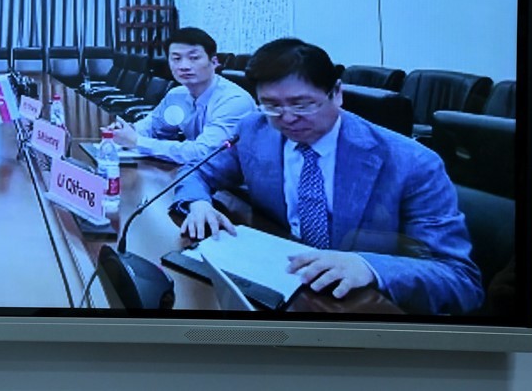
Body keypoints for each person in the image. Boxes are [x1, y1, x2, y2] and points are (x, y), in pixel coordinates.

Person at [172, 38, 483, 315]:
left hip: (362, 311)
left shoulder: (412, 163)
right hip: (283, 284)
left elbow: (460, 280)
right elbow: (198, 171)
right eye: (272, 106)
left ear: (336, 94)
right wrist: (198, 203)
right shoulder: (256, 130)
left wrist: (370, 266)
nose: (288, 118)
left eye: (302, 104)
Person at [111, 27, 255, 164]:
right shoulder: (177, 95)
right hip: (194, 171)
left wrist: (137, 141)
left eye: (194, 58)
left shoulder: (233, 101)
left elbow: (204, 153)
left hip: (232, 177)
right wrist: (127, 131)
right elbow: (153, 127)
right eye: (176, 59)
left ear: (214, 62)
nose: (184, 66)